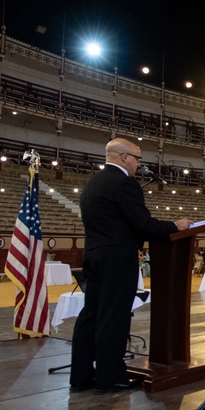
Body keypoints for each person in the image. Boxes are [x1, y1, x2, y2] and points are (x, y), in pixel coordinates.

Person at [70, 138, 191, 395]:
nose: (139, 164)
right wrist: (175, 226)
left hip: (93, 255)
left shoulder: (93, 183)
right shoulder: (124, 183)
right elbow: (143, 224)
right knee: (114, 317)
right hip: (117, 258)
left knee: (91, 315)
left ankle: (80, 376)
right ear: (124, 157)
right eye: (137, 158)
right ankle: (110, 377)